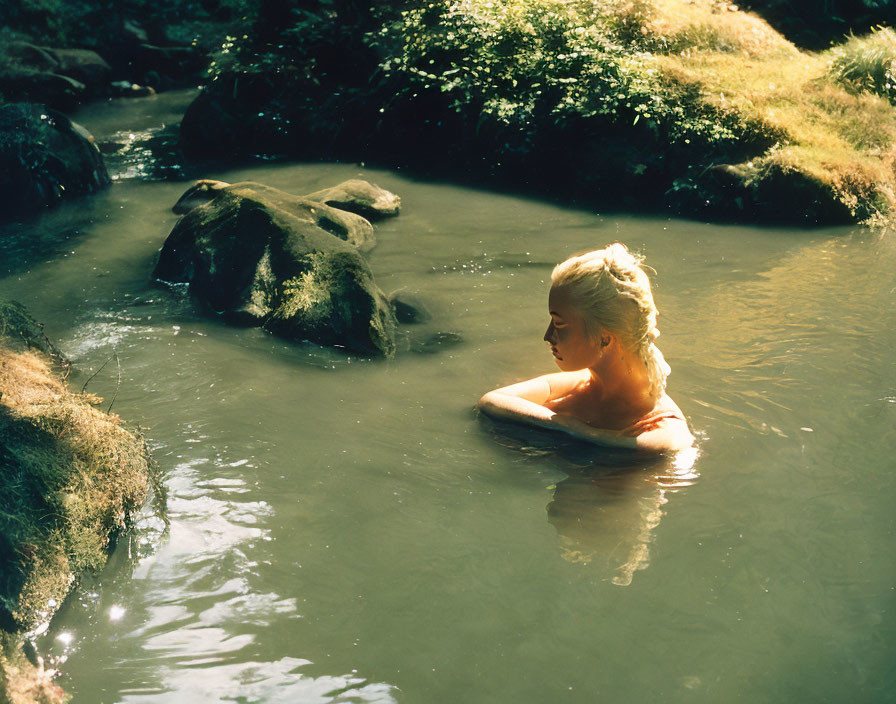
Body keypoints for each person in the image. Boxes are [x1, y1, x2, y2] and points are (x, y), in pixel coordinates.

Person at [477, 243, 693, 453]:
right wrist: (568, 426)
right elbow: (491, 402)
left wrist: (583, 434)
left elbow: (667, 446)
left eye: (559, 324)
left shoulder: (663, 426)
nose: (548, 336)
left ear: (604, 338)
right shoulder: (579, 382)